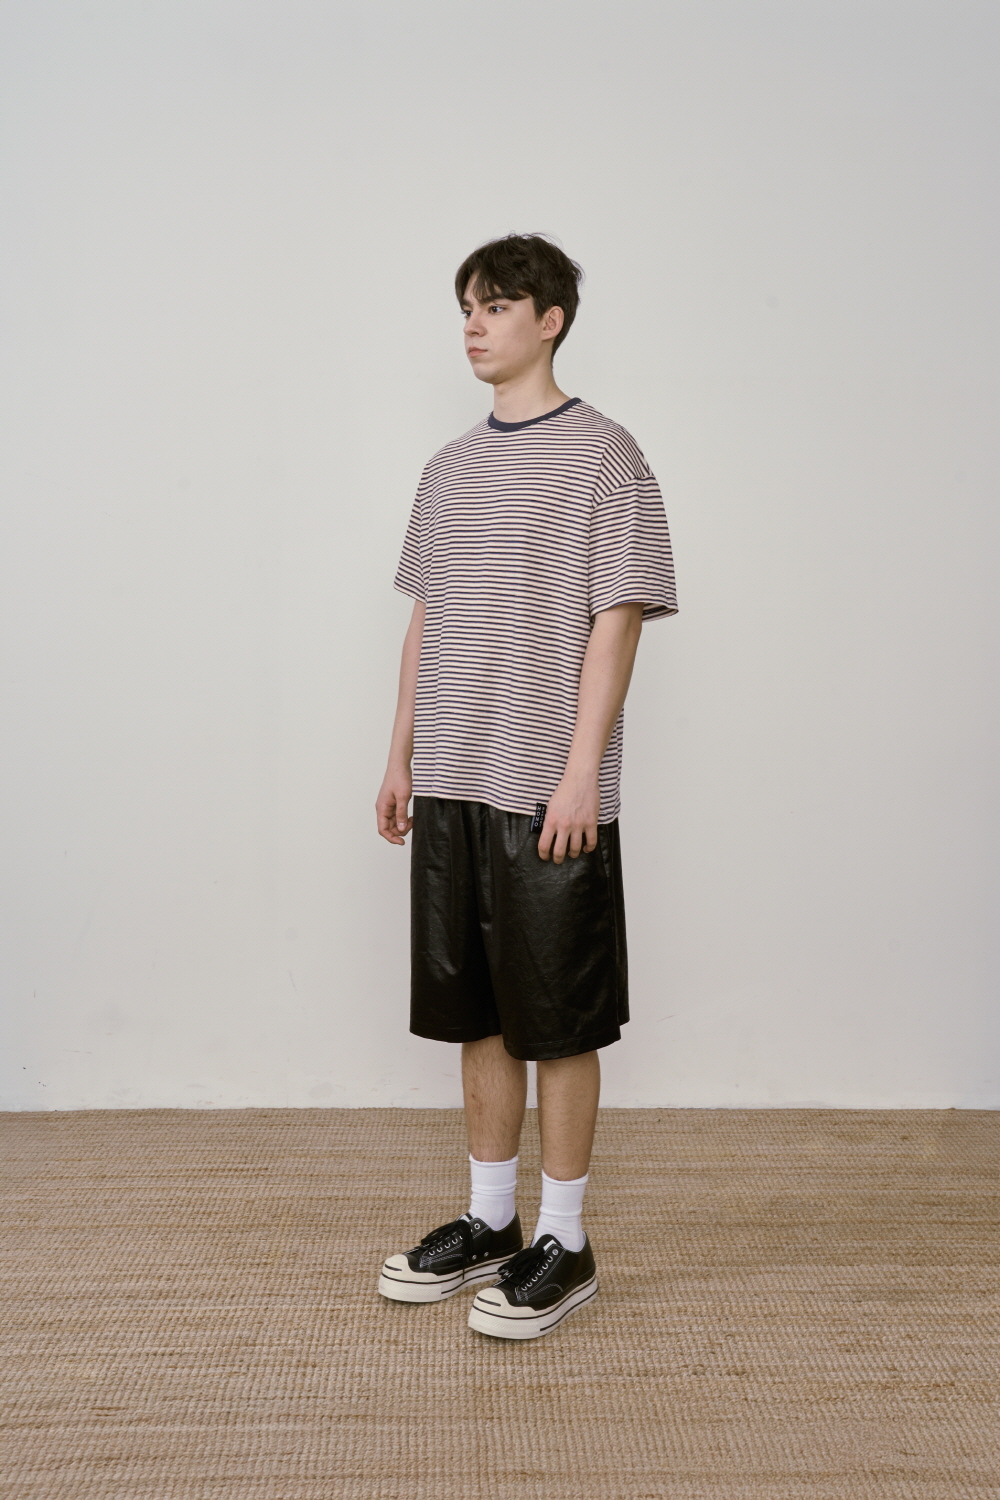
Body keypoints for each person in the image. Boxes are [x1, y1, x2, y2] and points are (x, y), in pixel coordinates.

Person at [374, 233, 677, 1340]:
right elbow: (428, 618)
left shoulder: (605, 455)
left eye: (496, 305)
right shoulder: (447, 468)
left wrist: (582, 771)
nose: (473, 324)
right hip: (453, 778)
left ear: (549, 319)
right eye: (467, 305)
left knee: (558, 1018)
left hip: (546, 784)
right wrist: (400, 752)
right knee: (481, 1013)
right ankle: (491, 1220)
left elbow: (618, 618)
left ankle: (567, 1239)